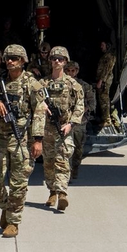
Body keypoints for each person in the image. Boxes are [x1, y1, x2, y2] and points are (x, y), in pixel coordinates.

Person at [0, 44, 45, 238]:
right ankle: (6, 206)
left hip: (22, 140)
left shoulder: (32, 84)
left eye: (15, 58)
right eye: (8, 58)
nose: (10, 61)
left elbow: (40, 112)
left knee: (19, 183)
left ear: (23, 61)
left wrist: (38, 140)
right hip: (0, 139)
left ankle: (13, 221)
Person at [40, 46, 84, 211]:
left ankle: (62, 193)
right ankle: (52, 191)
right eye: (54, 58)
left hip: (64, 128)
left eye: (60, 59)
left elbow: (79, 106)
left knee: (63, 161)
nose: (57, 61)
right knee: (48, 163)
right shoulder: (43, 83)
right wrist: (41, 104)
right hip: (46, 129)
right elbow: (32, 100)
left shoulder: (73, 84)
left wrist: (71, 124)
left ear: (65, 61)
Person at [66, 60, 94, 181]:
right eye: (68, 70)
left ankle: (74, 170)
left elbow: (92, 104)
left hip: (79, 122)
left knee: (77, 149)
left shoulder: (85, 86)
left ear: (77, 71)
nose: (70, 73)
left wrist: (81, 110)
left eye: (73, 70)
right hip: (65, 122)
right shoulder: (61, 84)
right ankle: (65, 173)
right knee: (65, 149)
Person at [96, 40, 120, 130]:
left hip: (105, 81)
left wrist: (101, 81)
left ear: (107, 45)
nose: (101, 47)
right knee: (102, 99)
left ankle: (107, 120)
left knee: (104, 100)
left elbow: (107, 70)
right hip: (103, 80)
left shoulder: (110, 56)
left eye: (103, 45)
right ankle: (105, 118)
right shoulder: (106, 56)